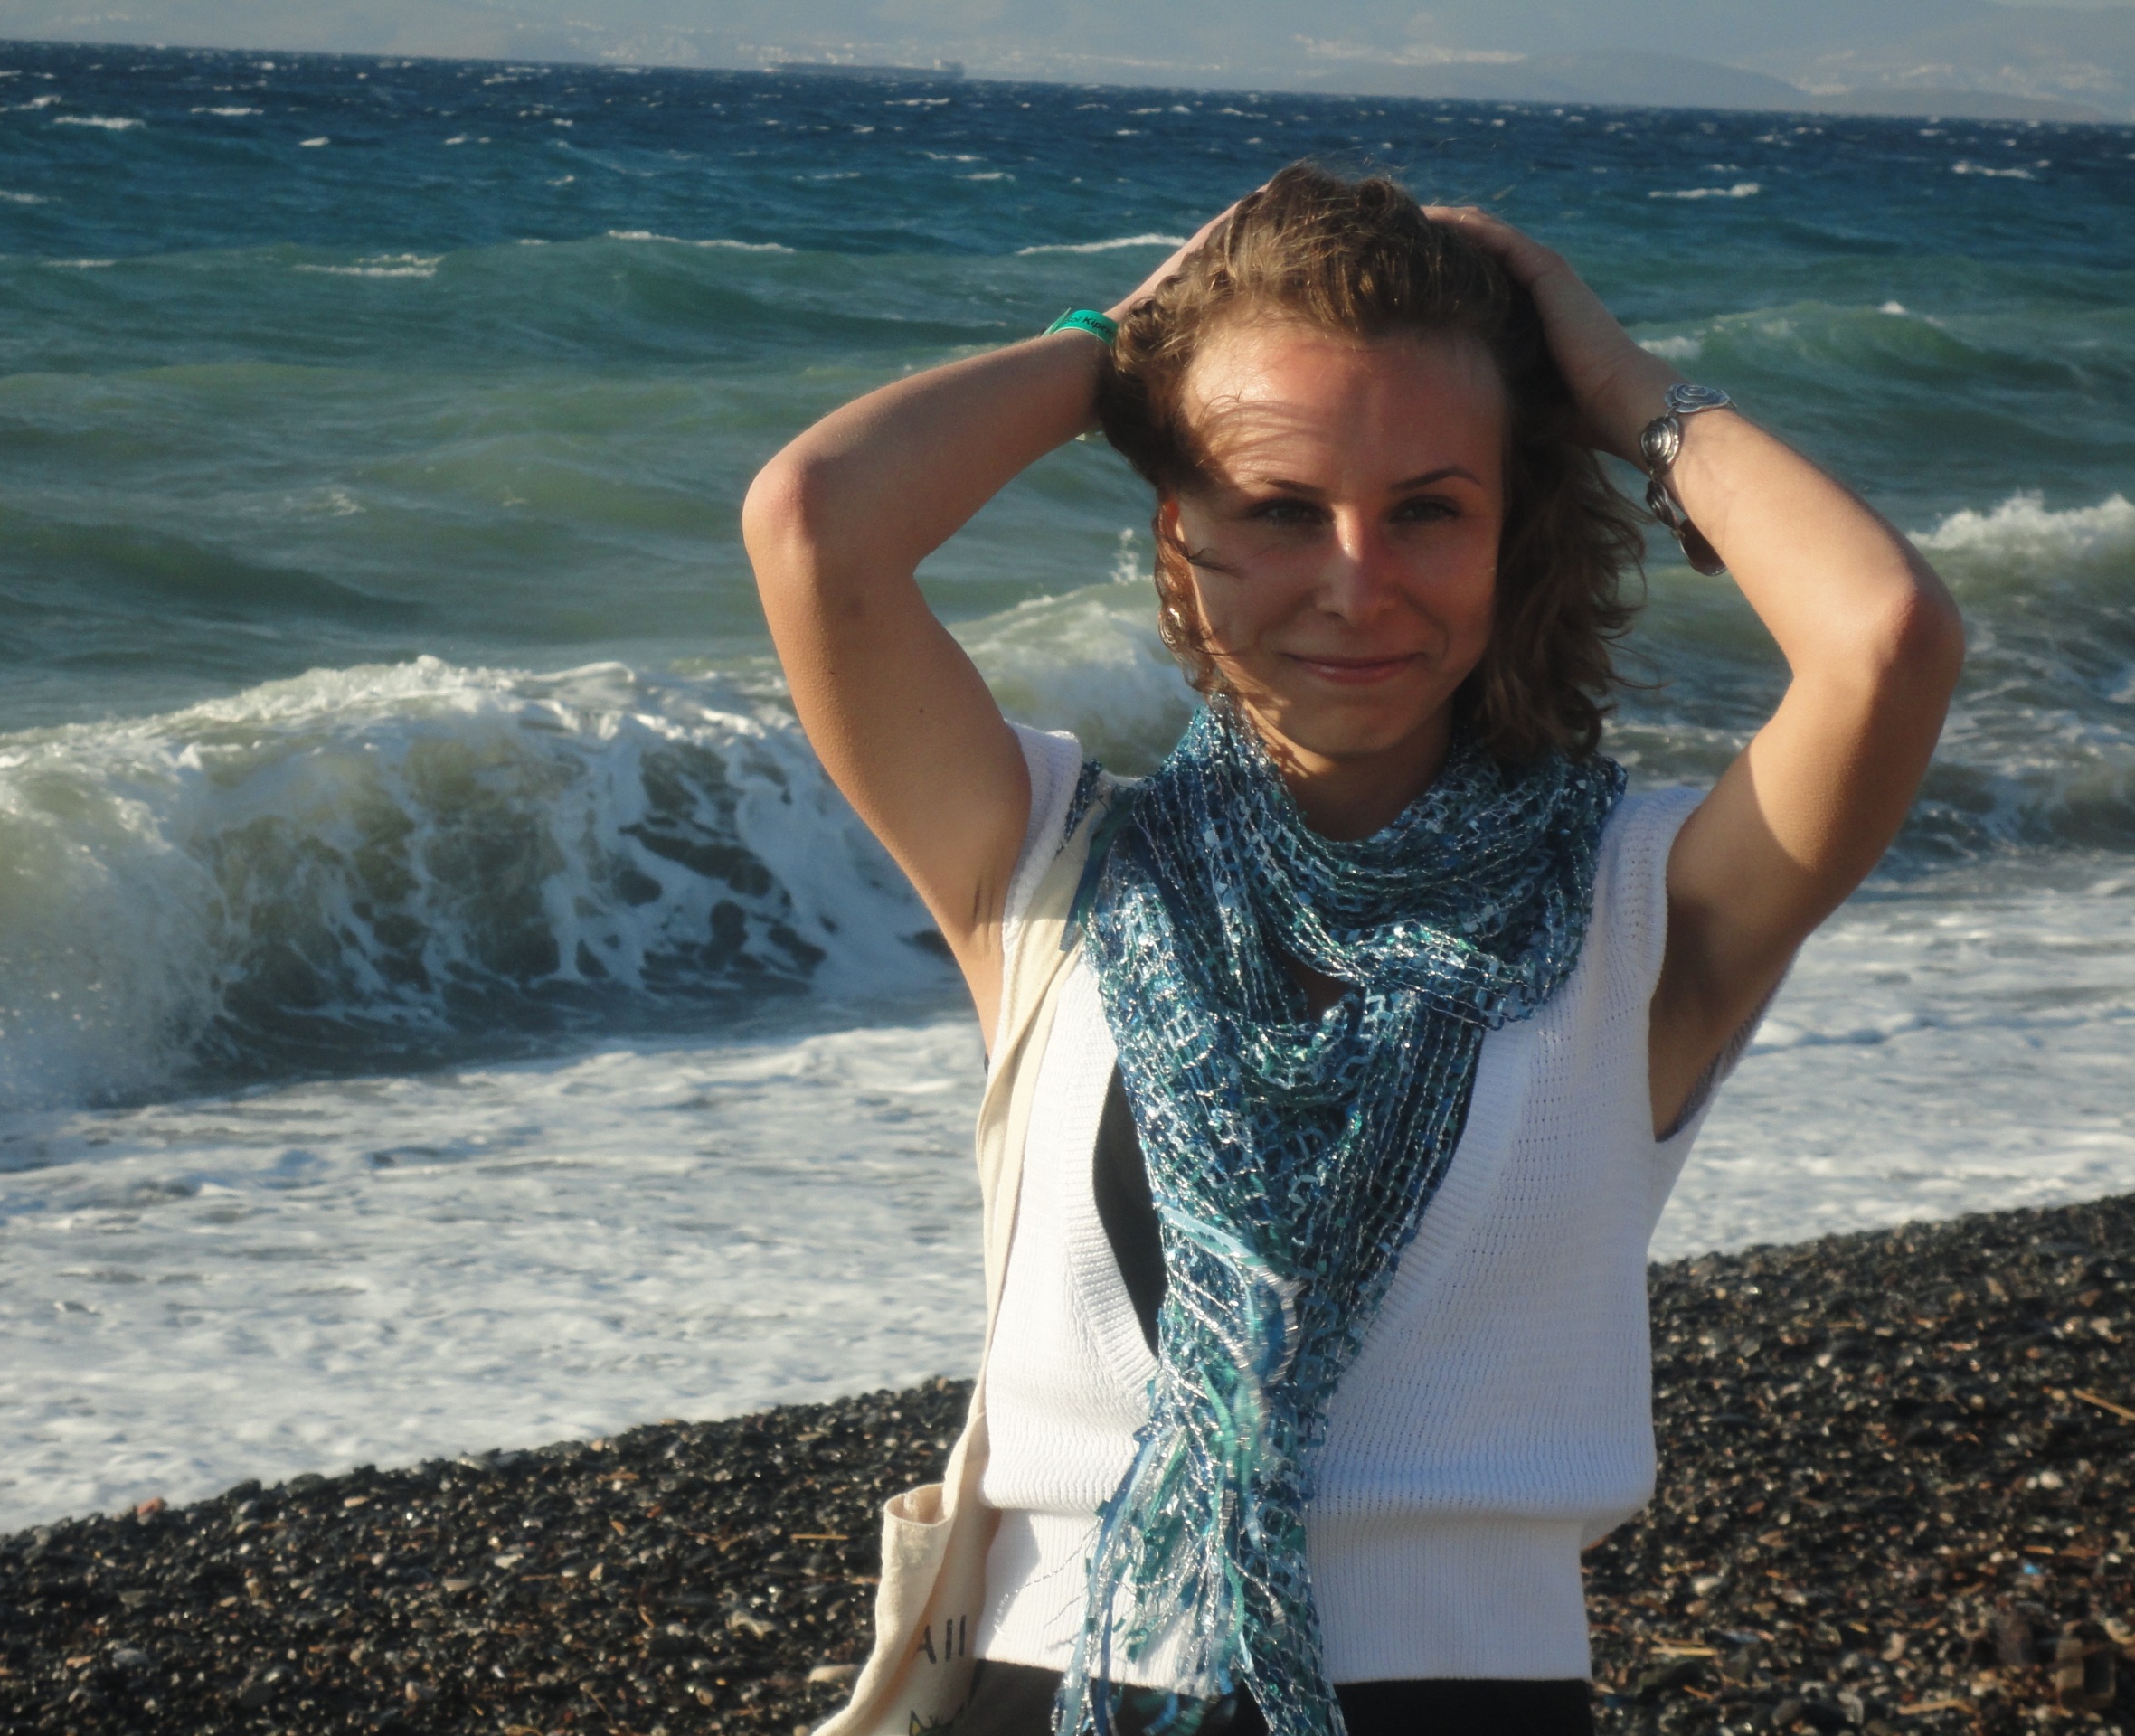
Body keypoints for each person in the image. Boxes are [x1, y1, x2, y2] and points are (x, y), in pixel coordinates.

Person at [742, 165, 1961, 1736]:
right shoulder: (1048, 867)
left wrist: (1613, 383)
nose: (1356, 581)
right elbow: (815, 522)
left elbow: (1884, 638)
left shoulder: (1638, 909)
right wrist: (1119, 349)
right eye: (1277, 509)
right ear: (1178, 532)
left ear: (1514, 534)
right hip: (1045, 1685)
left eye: (1429, 510)